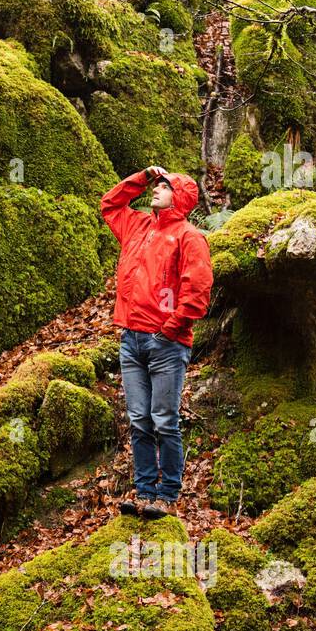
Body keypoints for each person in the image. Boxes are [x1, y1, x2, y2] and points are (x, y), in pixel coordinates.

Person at [99, 165, 213, 519]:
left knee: (164, 418)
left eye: (164, 186)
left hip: (166, 343)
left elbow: (198, 289)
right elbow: (109, 204)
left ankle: (167, 495)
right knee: (138, 419)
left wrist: (170, 327)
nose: (157, 190)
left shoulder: (189, 236)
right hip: (131, 339)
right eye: (157, 185)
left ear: (179, 197)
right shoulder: (137, 225)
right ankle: (144, 492)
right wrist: (143, 177)